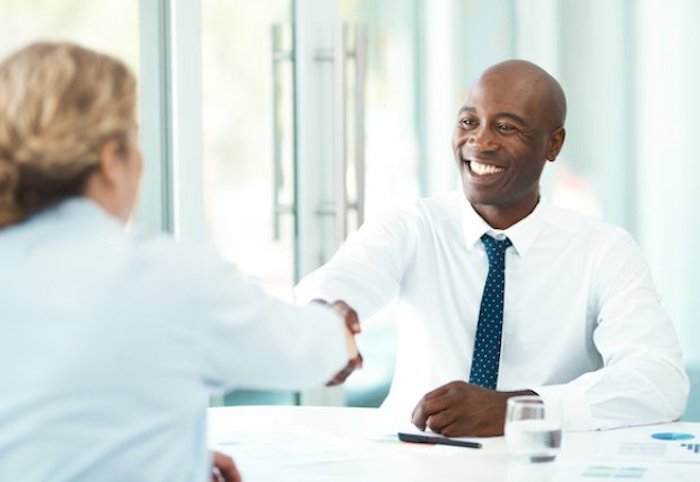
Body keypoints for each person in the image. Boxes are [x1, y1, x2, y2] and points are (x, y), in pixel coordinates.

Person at [0, 42, 361, 482]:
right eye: (135, 138)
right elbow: (311, 350)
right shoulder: (163, 279)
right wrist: (336, 323)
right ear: (110, 160)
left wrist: (165, 452)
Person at [296, 59, 690, 437]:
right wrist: (327, 314)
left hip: (543, 469)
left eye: (505, 127)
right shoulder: (413, 226)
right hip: (415, 461)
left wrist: (516, 410)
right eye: (469, 122)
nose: (479, 141)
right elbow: (339, 280)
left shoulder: (603, 250)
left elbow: (659, 380)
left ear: (553, 144)